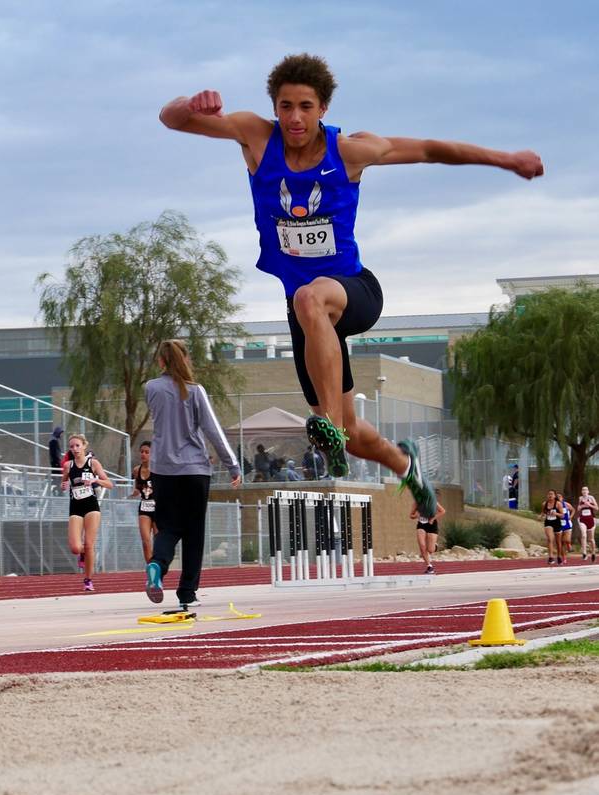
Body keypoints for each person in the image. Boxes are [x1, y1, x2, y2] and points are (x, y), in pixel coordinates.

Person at [159, 54, 543, 519]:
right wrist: (192, 102)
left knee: (311, 299)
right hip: (309, 318)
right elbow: (172, 119)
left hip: (353, 291)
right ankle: (411, 471)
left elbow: (429, 149)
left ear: (323, 108)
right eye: (285, 106)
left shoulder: (350, 151)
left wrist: (506, 159)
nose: (294, 118)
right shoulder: (256, 137)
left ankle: (332, 433)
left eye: (305, 106)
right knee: (356, 433)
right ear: (274, 107)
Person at [144, 340, 241, 608]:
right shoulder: (196, 391)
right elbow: (213, 430)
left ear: (161, 362)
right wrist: (232, 464)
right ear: (185, 360)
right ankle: (187, 592)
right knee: (194, 532)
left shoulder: (151, 389)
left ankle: (157, 564)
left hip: (162, 470)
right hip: (194, 470)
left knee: (168, 526)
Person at [61, 433, 114, 592]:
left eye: (78, 445)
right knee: (76, 548)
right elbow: (64, 482)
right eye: (72, 446)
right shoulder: (68, 466)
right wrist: (64, 485)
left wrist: (95, 480)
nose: (75, 449)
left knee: (89, 544)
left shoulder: (93, 463)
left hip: (91, 506)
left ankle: (88, 579)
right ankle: (82, 553)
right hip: (75, 506)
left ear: (84, 446)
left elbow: (110, 484)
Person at [128, 440, 157, 562]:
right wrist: (132, 494)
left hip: (158, 508)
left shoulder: (157, 470)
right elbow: (137, 488)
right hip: (144, 507)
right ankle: (151, 571)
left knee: (158, 541)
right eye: (142, 452)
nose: (143, 454)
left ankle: (159, 566)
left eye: (147, 452)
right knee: (145, 541)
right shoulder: (136, 470)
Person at [411, 497, 446, 575]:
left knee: (430, 550)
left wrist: (433, 519)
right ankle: (429, 567)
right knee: (422, 546)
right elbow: (411, 515)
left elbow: (442, 511)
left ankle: (435, 546)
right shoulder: (416, 502)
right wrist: (416, 515)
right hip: (421, 525)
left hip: (431, 525)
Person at [540, 490, 563, 566]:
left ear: (555, 496)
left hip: (557, 522)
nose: (550, 495)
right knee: (550, 539)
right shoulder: (544, 504)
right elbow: (543, 513)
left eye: (552, 494)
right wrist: (540, 516)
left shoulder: (558, 504)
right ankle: (551, 557)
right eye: (549, 494)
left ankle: (559, 556)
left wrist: (556, 513)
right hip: (548, 522)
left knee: (558, 542)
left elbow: (562, 515)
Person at [578, 487, 598, 563]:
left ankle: (593, 553)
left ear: (588, 491)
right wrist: (582, 506)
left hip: (591, 519)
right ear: (581, 491)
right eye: (583, 490)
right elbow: (578, 509)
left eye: (585, 490)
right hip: (582, 519)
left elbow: (597, 508)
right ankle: (584, 552)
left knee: (591, 539)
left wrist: (589, 504)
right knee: (583, 535)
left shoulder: (591, 498)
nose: (584, 491)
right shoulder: (580, 498)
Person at [557, 493, 575, 561]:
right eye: (557, 497)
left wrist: (571, 516)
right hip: (559, 525)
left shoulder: (566, 504)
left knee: (567, 540)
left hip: (567, 524)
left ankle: (569, 544)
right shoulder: (555, 506)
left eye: (560, 497)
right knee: (561, 543)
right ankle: (564, 557)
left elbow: (573, 510)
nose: (558, 498)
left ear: (562, 498)